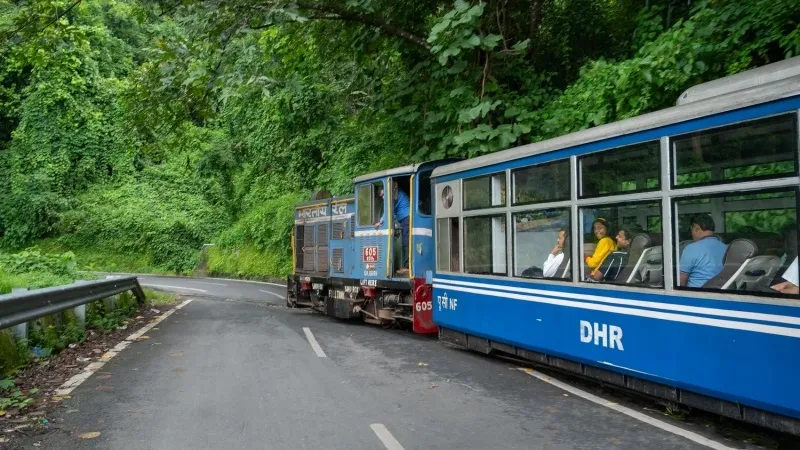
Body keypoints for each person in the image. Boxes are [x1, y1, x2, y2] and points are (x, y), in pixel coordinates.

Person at [679, 214, 727, 288]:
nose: (691, 233)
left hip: (697, 295)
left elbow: (681, 282)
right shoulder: (726, 247)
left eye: (691, 230)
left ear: (696, 228)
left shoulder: (691, 248)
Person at [375, 181, 410, 272]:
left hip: (407, 218)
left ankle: (407, 267)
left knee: (406, 243)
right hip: (405, 219)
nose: (383, 198)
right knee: (405, 242)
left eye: (383, 195)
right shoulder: (396, 193)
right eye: (382, 196)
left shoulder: (393, 196)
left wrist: (380, 222)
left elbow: (388, 211)